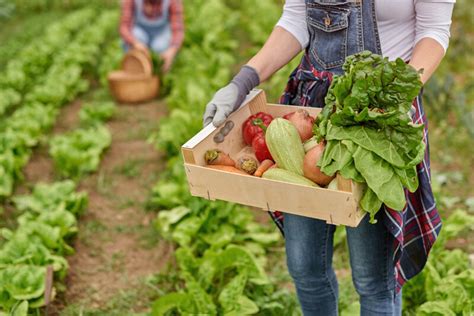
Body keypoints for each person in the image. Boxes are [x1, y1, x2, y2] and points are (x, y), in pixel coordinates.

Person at [203, 1, 455, 315]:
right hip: (311, 111)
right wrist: (243, 81)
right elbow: (297, 18)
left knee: (372, 278)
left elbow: (433, 30)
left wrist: (397, 95)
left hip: (380, 116)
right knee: (305, 266)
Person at [119, 0, 184, 73]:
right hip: (140, 33)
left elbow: (178, 30)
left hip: (161, 34)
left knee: (160, 47)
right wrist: (135, 43)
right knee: (136, 36)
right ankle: (134, 71)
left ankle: (160, 73)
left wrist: (171, 51)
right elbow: (124, 27)